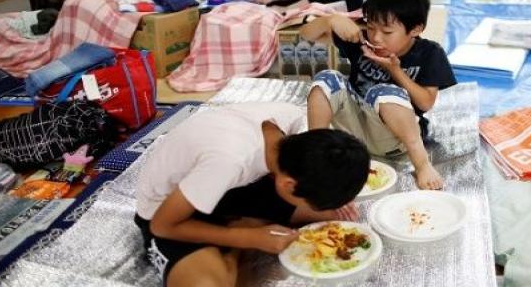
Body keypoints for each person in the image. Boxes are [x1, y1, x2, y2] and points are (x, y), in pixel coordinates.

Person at [134, 102, 370, 287]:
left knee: (333, 215)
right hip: (167, 210)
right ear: (288, 185)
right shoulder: (229, 160)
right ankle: (237, 240)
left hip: (228, 189)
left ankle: (241, 226)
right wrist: (249, 238)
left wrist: (337, 187)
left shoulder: (288, 119)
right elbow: (161, 226)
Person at [300, 0, 457, 190]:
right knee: (326, 78)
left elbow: (426, 102)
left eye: (387, 32)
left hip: (394, 139)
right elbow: (305, 34)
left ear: (416, 29)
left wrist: (395, 71)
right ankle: (315, 152)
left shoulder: (430, 53)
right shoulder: (361, 39)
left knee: (383, 92)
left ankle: (423, 166)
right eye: (371, 27)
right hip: (354, 134)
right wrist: (330, 20)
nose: (376, 37)